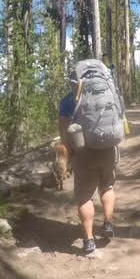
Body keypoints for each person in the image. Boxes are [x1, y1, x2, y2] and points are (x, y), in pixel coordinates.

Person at [59, 86, 118, 255]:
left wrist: (68, 153)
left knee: (85, 197)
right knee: (107, 186)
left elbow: (64, 131)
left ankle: (89, 240)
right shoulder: (107, 92)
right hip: (108, 148)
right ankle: (108, 223)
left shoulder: (68, 100)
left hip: (84, 152)